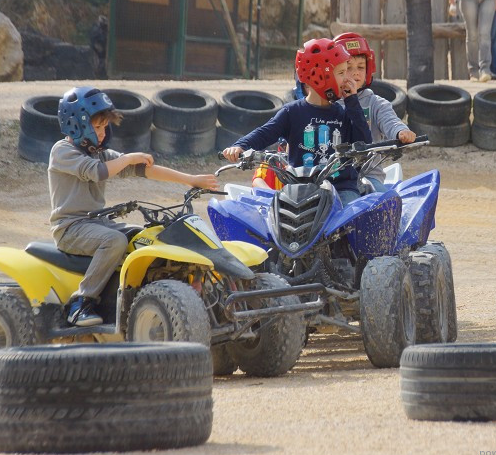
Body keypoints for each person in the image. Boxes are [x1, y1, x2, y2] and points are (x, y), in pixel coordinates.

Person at [50, 86, 219, 327]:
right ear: (76, 126)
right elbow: (96, 173)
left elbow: (145, 170)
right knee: (114, 241)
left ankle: (151, 297)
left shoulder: (100, 154)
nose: (102, 133)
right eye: (97, 127)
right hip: (70, 228)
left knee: (145, 237)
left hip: (98, 225)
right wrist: (129, 157)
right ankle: (81, 302)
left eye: (104, 127)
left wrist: (191, 179)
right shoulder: (62, 151)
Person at [221, 37, 371, 204]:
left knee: (351, 215)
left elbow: (364, 143)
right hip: (299, 188)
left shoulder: (344, 112)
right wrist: (240, 145)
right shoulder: (292, 112)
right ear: (321, 76)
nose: (347, 79)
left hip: (341, 188)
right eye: (341, 73)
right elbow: (264, 133)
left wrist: (353, 102)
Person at [333, 31, 415, 190]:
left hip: (369, 176)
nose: (355, 72)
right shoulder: (328, 103)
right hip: (333, 175)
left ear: (368, 69)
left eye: (360, 67)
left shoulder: (376, 103)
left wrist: (400, 131)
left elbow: (390, 121)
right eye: (348, 67)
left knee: (384, 204)